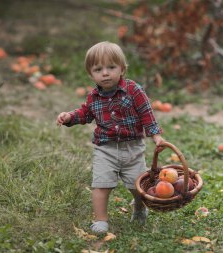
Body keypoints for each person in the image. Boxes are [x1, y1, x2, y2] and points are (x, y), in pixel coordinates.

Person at [56, 41, 164, 233]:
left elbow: (147, 114)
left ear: (122, 69)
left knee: (138, 186)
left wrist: (155, 136)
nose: (105, 73)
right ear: (91, 74)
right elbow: (85, 114)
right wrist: (70, 117)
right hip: (105, 150)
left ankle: (139, 208)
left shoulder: (134, 90)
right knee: (100, 185)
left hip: (133, 149)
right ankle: (101, 221)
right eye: (98, 69)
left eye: (111, 67)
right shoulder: (93, 97)